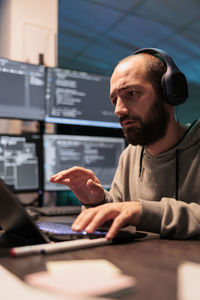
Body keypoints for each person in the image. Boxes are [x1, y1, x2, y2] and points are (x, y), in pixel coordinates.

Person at [50, 48, 200, 240]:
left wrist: (142, 211)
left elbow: (134, 211)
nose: (118, 110)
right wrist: (98, 201)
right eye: (115, 100)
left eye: (131, 93)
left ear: (169, 93)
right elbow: (120, 210)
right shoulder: (131, 155)